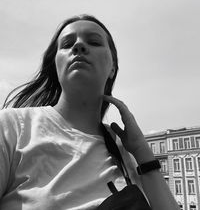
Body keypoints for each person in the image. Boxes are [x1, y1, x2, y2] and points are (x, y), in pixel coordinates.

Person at [0, 14, 179, 210]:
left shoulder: (126, 150)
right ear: (56, 66)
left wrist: (141, 150)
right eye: (67, 44)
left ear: (112, 68)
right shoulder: (12, 127)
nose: (78, 46)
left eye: (93, 42)